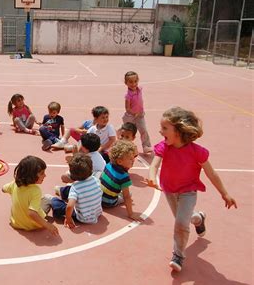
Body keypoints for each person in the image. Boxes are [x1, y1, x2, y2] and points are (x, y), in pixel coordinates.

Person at [147, 107, 237, 272]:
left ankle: (178, 255)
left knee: (180, 223)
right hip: (169, 190)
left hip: (188, 191)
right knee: (185, 219)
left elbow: (212, 173)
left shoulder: (197, 152)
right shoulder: (164, 147)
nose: (160, 131)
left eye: (165, 128)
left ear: (179, 131)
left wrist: (225, 193)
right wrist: (152, 178)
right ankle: (199, 219)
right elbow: (154, 164)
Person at [2, 156, 59, 236]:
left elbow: (3, 189)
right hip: (34, 225)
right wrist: (47, 225)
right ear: (31, 175)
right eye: (42, 173)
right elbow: (32, 213)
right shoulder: (36, 190)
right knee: (47, 199)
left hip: (16, 223)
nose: (45, 175)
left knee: (34, 201)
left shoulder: (15, 183)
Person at [50, 153, 103, 229]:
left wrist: (68, 218)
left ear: (72, 174)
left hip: (83, 218)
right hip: (97, 213)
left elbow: (70, 206)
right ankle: (61, 191)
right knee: (77, 192)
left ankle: (55, 196)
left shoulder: (75, 187)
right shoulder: (96, 180)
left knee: (57, 204)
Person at [100, 140, 143, 222]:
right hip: (108, 202)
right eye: (130, 159)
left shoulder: (108, 164)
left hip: (99, 197)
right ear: (120, 161)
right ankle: (115, 200)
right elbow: (126, 196)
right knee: (129, 194)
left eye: (133, 157)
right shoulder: (124, 177)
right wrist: (131, 214)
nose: (133, 160)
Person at [122, 71, 152, 153]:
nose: (133, 84)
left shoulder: (139, 89)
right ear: (126, 83)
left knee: (143, 130)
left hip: (140, 115)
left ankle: (146, 146)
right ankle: (125, 145)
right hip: (131, 116)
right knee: (128, 132)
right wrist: (133, 113)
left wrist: (140, 112)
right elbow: (127, 108)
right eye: (130, 82)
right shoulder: (128, 95)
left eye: (135, 81)